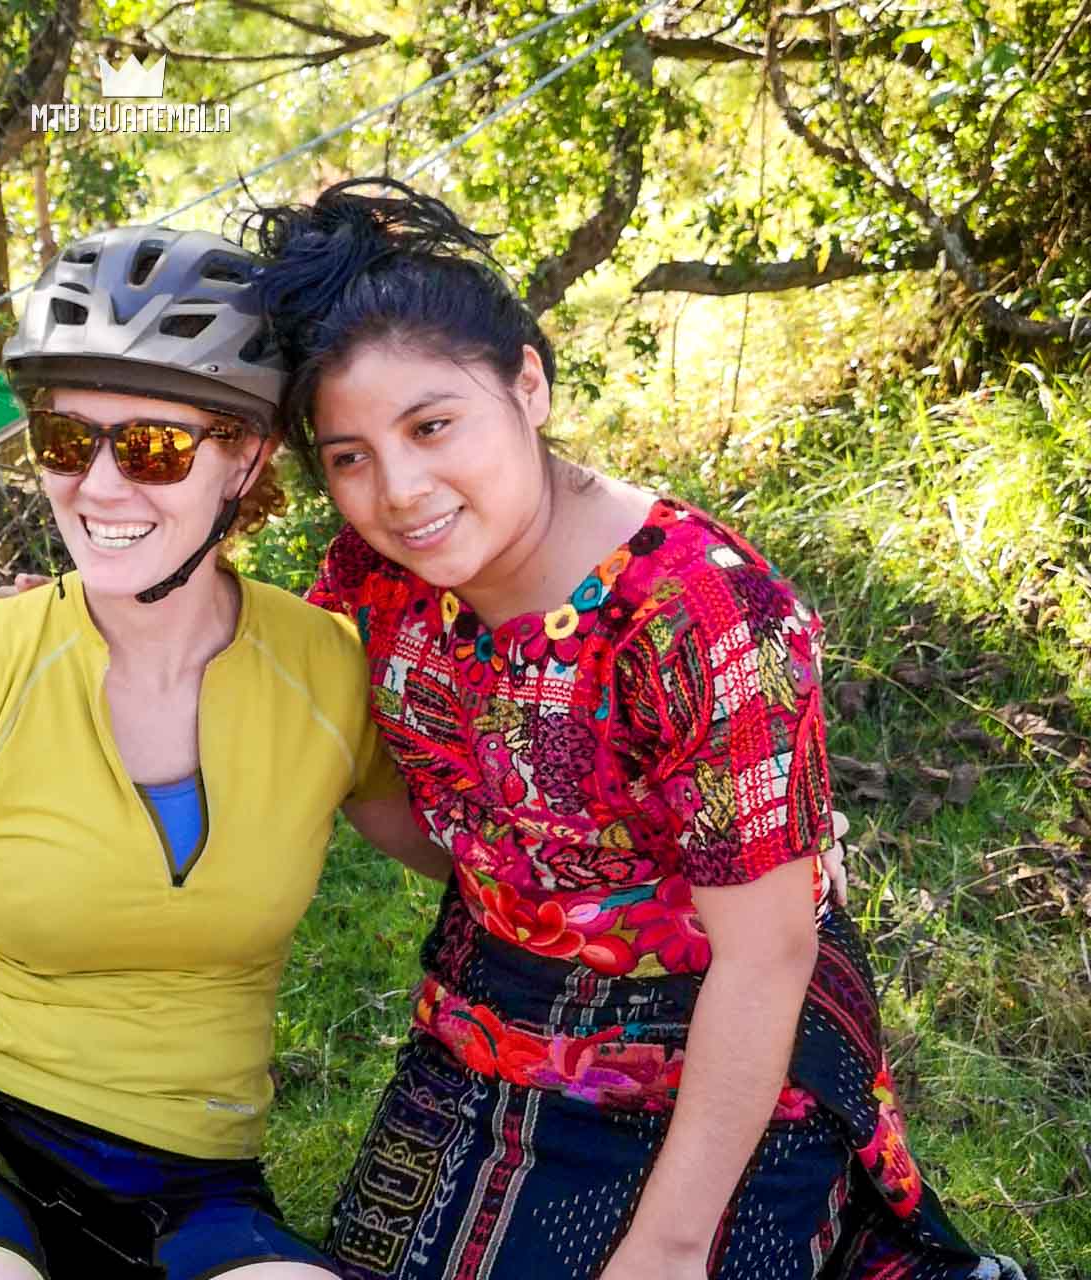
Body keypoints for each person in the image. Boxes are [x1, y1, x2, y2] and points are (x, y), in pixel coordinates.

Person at [235, 177, 1022, 1280]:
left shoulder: (699, 611)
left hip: (728, 1014)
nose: (399, 488)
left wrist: (667, 1244)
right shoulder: (374, 583)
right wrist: (61, 625)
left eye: (432, 424)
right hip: (497, 1000)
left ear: (529, 384)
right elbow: (358, 760)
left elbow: (768, 949)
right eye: (349, 454)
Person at [0, 225, 451, 1280]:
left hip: (193, 1181)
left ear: (244, 454)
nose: (98, 487)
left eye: (151, 446)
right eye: (64, 441)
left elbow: (486, 866)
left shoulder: (325, 670)